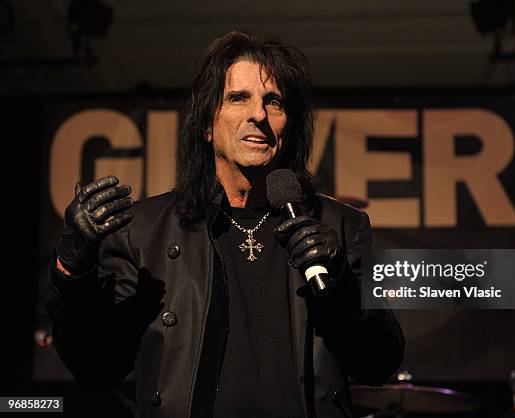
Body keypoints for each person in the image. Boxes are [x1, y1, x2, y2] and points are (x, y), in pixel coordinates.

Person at [47, 30, 405, 418]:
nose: (258, 115)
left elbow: (378, 364)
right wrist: (73, 267)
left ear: (290, 127)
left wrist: (340, 289)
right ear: (206, 125)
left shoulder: (340, 226)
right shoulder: (145, 232)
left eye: (274, 102)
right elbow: (97, 367)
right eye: (238, 98)